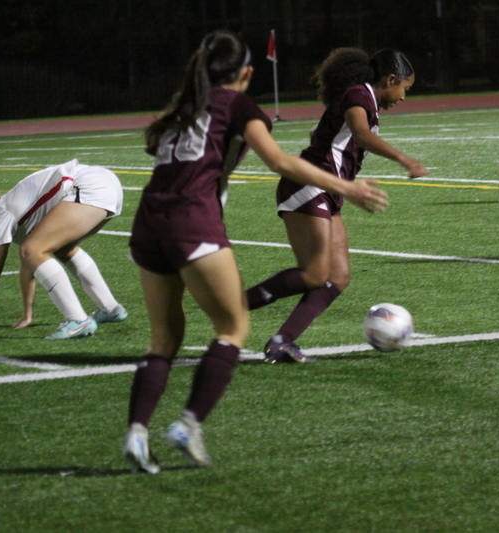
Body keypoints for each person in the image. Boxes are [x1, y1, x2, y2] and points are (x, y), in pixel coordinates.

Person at [122, 30, 388, 474]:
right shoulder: (239, 105)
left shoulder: (182, 105)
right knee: (233, 326)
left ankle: (136, 433)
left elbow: (159, 146)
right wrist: (347, 187)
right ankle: (188, 423)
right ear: (246, 72)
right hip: (192, 221)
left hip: (147, 224)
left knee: (164, 339)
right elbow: (281, 162)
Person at [244, 47, 428, 364]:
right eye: (404, 89)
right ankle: (234, 305)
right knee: (315, 274)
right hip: (309, 184)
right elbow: (360, 132)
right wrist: (403, 158)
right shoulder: (360, 94)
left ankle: (281, 341)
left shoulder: (364, 99)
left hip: (328, 191)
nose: (403, 97)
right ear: (391, 78)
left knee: (338, 278)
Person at [0, 160, 128, 339]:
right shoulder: (7, 213)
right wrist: (27, 314)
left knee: (33, 249)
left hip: (89, 185)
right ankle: (110, 309)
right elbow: (28, 264)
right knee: (59, 249)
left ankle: (78, 320)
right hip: (104, 183)